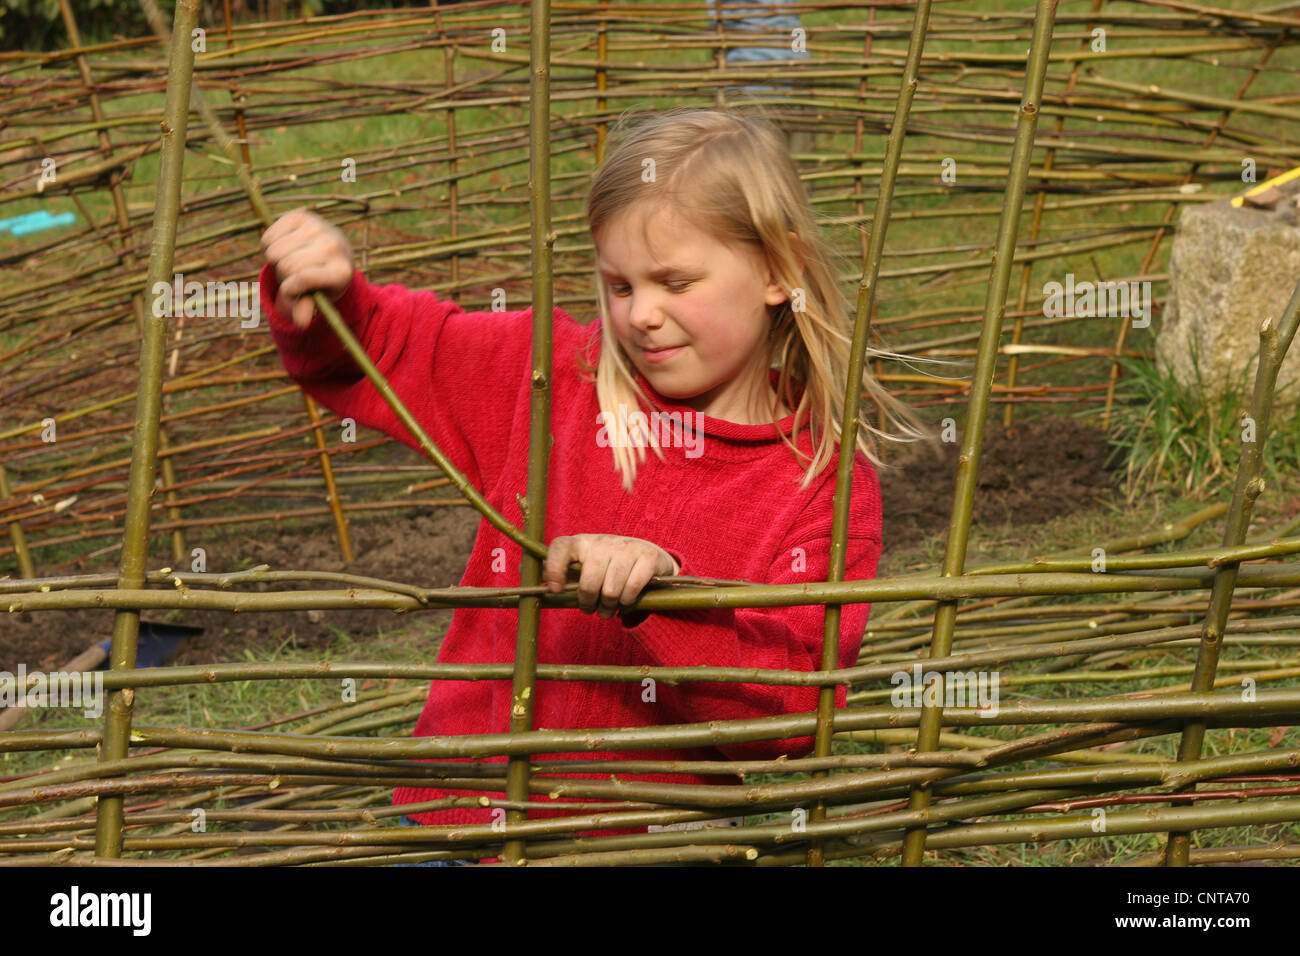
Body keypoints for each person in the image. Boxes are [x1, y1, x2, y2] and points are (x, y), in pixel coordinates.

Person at [258, 106, 929, 864]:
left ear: (780, 272)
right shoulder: (548, 377)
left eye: (676, 281)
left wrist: (668, 603)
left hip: (644, 852)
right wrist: (325, 297)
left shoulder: (820, 484)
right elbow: (372, 351)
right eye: (618, 284)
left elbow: (794, 713)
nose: (642, 314)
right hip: (455, 828)